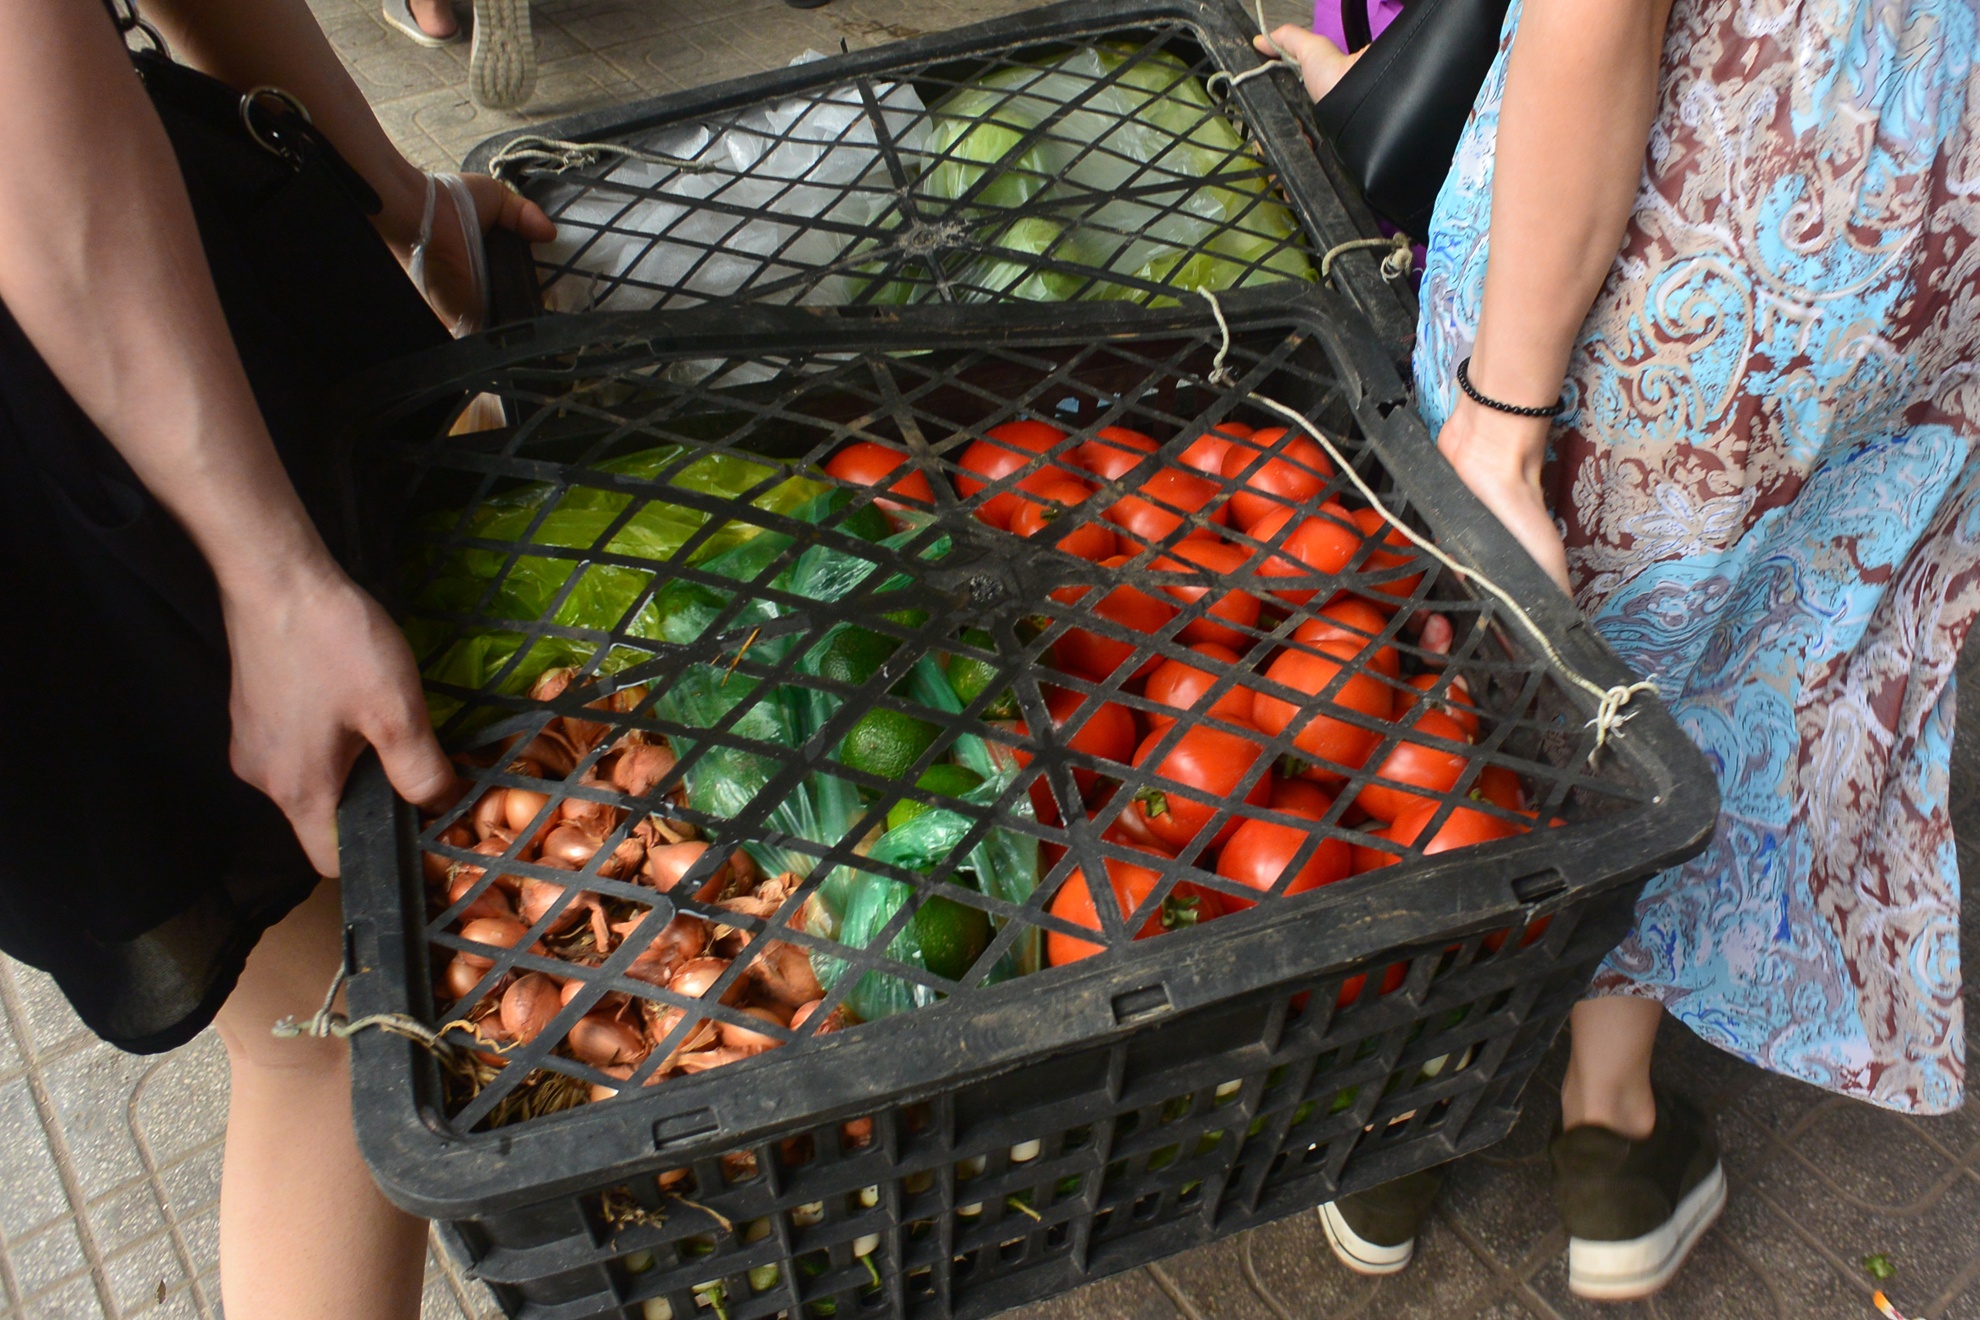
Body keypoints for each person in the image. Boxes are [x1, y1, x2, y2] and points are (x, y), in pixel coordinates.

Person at [1262, 0, 1975, 1300]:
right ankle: (1612, 1131)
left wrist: (1501, 419)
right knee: (1725, 671)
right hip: (1919, 194)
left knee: (1489, 668)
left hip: (1682, 211)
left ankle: (1404, 1110)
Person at [0, 0, 554, 1314]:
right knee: (350, 1015)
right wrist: (275, 575)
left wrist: (416, 208)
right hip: (86, 370)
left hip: (97, 310)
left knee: (315, 1021)